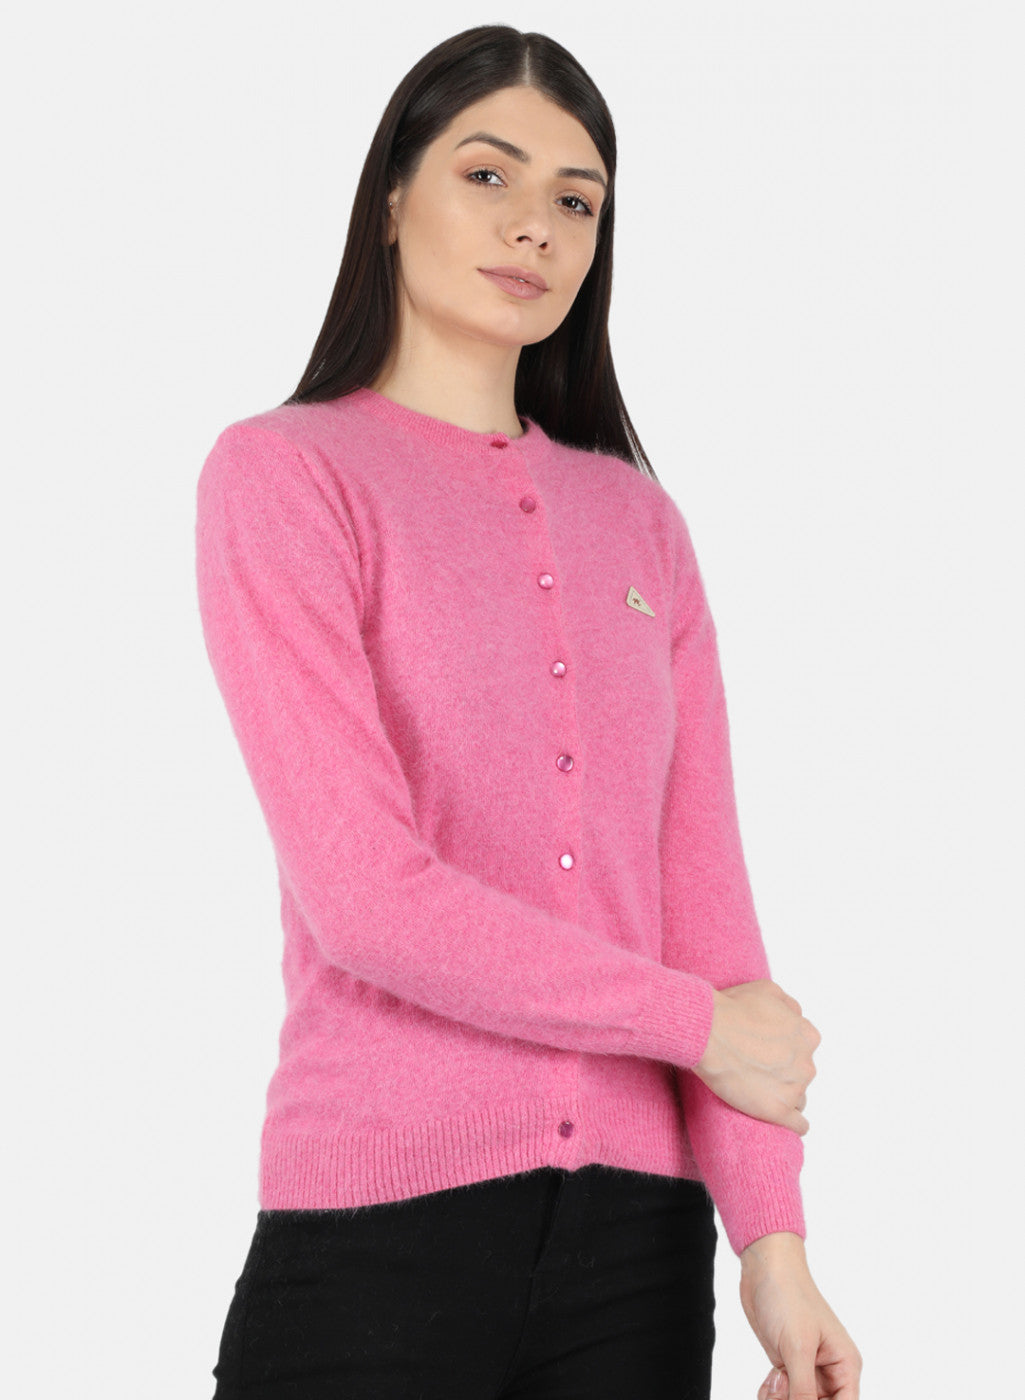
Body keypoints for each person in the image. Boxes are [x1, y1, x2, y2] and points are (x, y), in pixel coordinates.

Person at [195, 23, 862, 1400]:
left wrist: (772, 1246)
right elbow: (366, 899)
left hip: (640, 1257)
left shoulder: (641, 524)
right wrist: (691, 1023)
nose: (536, 228)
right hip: (377, 1236)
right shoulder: (286, 478)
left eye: (576, 200)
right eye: (487, 175)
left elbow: (708, 916)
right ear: (392, 198)